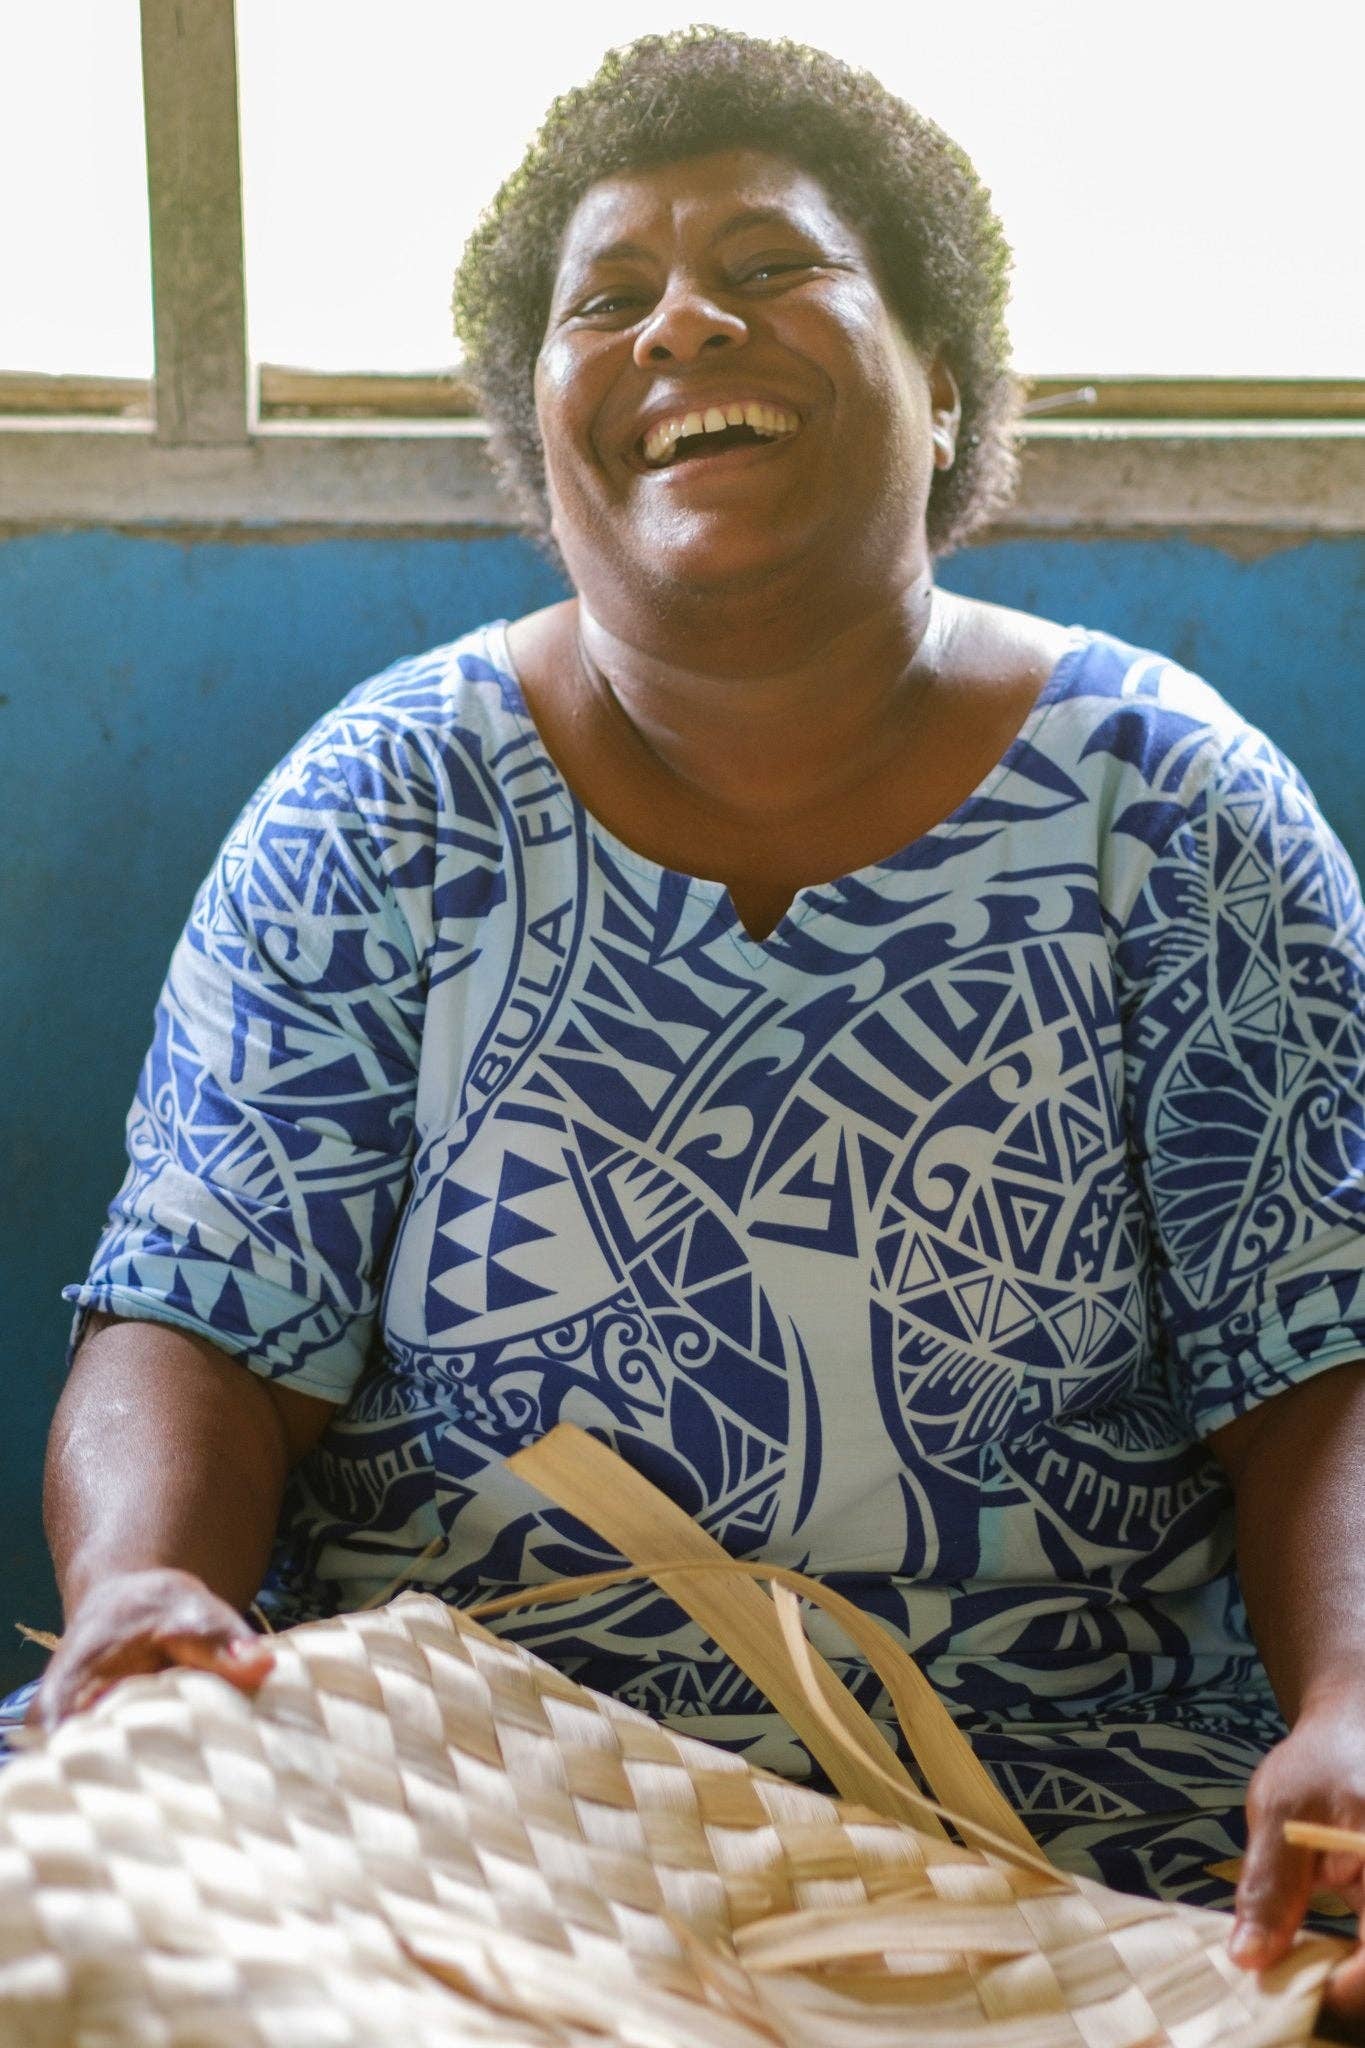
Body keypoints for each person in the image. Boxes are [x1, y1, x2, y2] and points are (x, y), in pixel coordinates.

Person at [19, 24, 1365, 2030]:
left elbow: (1322, 1363)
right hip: (445, 1816)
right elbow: (201, 1314)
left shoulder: (1168, 814)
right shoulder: (384, 807)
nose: (679, 324)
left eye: (771, 267)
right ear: (536, 425)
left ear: (942, 388)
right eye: (606, 298)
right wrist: (141, 1584)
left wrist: (1347, 1708)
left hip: (1061, 1836)